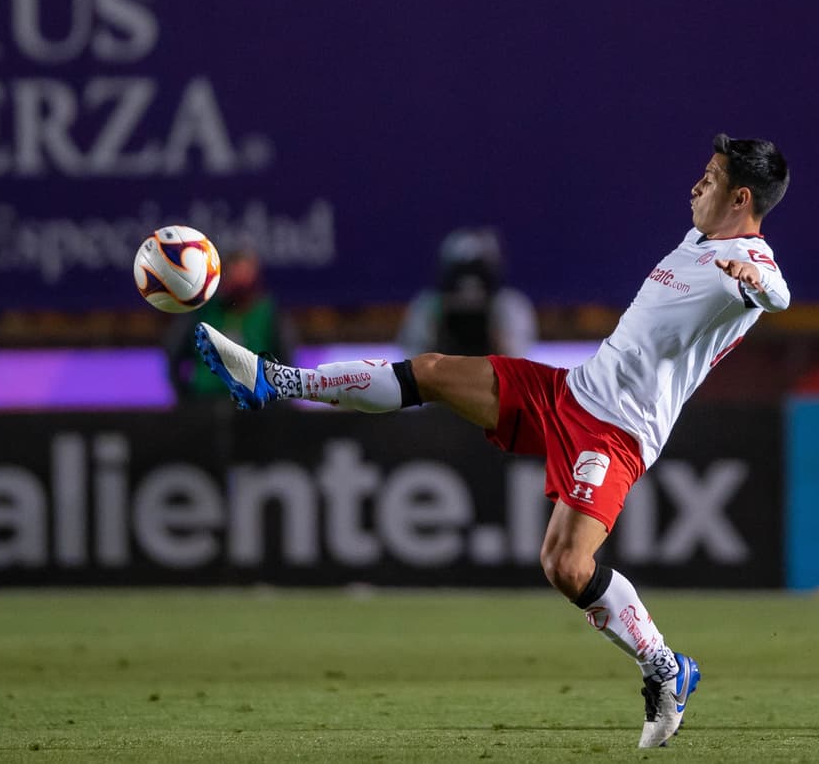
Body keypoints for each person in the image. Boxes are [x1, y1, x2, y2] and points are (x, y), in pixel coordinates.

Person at [193, 134, 789, 748]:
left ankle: (666, 668)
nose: (697, 185)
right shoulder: (700, 241)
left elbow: (778, 293)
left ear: (742, 197)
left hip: (617, 431)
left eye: (711, 178)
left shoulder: (748, 263)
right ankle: (274, 380)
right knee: (431, 371)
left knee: (564, 565)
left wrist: (753, 278)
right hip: (570, 391)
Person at [165, 248, 296, 403]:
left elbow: (286, 363)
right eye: (234, 275)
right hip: (206, 403)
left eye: (245, 276)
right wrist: (186, 399)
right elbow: (174, 353)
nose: (239, 283)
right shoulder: (203, 312)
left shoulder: (269, 315)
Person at [397, 227, 538, 358]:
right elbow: (412, 360)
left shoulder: (510, 306)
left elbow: (518, 360)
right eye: (460, 271)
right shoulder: (428, 306)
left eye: (479, 271)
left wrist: (497, 336)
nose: (470, 289)